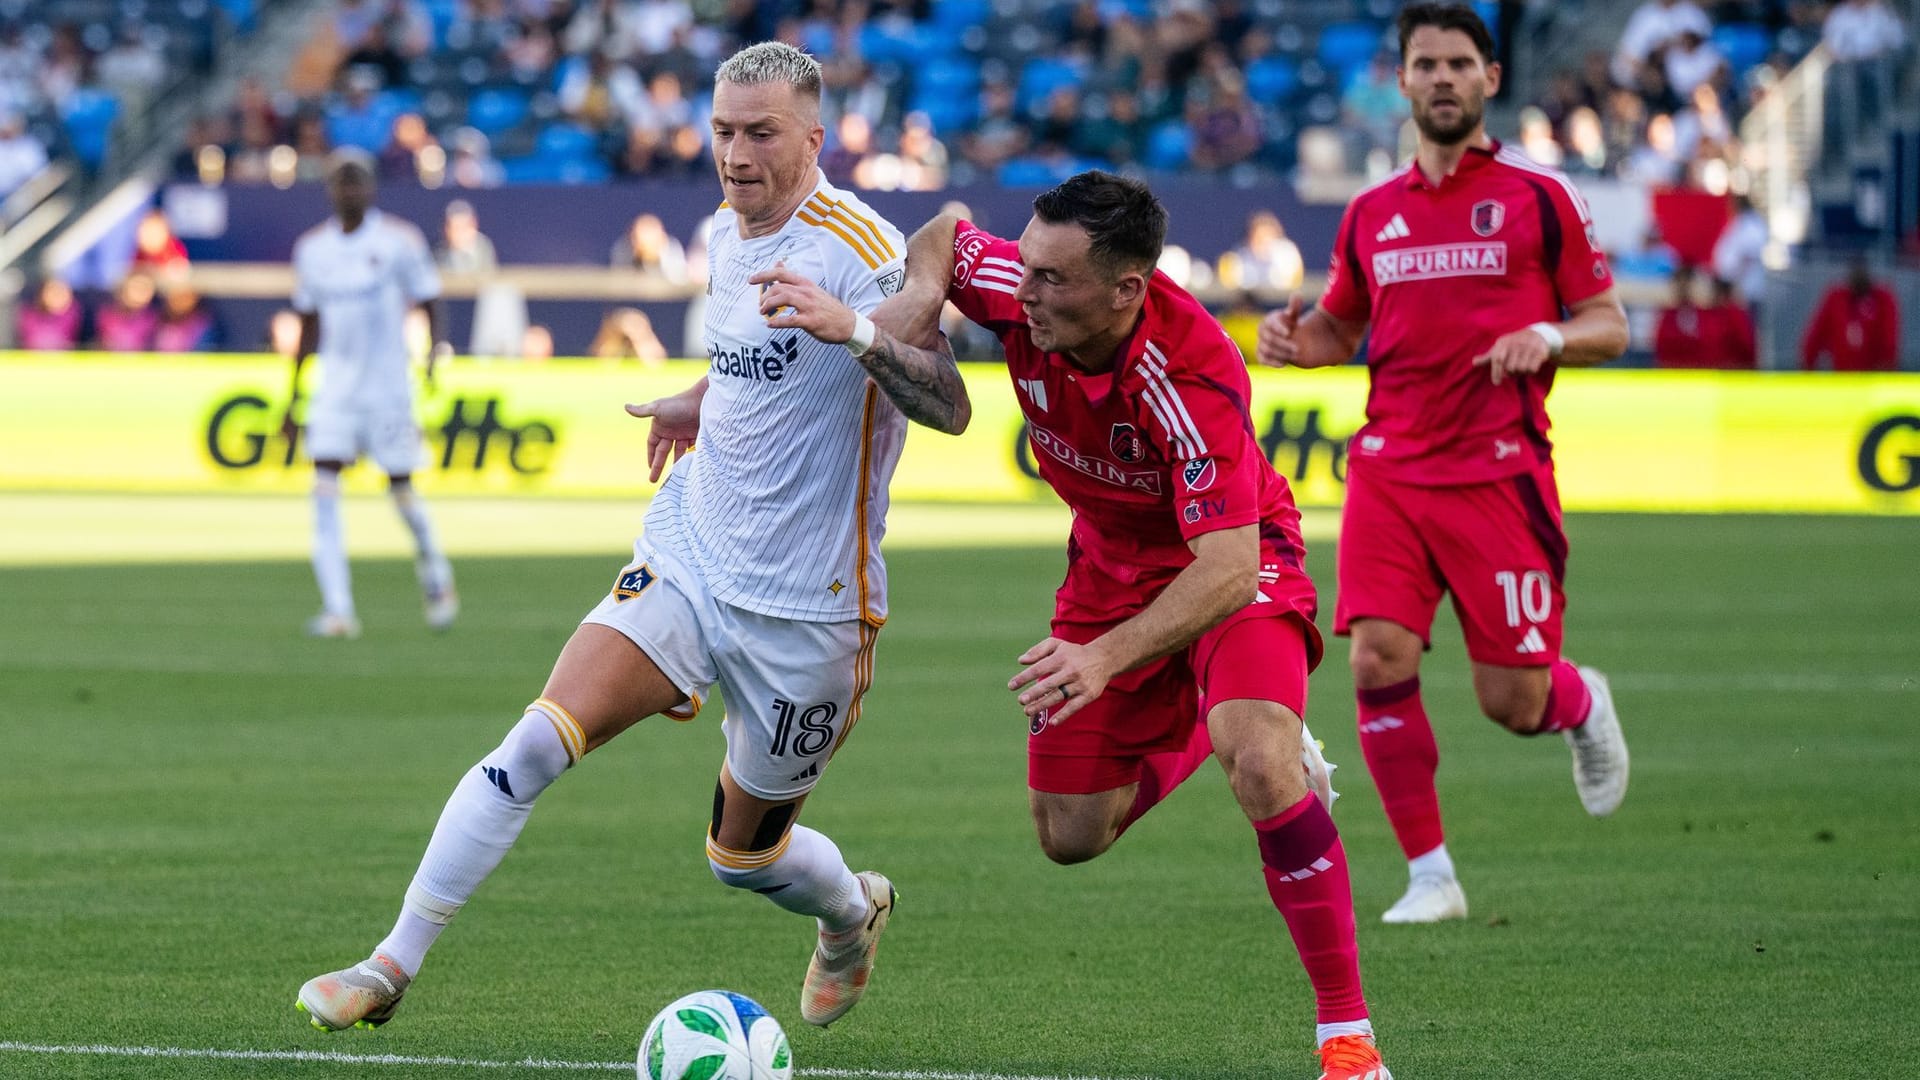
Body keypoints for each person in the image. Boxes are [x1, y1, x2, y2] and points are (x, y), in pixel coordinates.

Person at [295, 41, 971, 1036]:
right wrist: (704, 400)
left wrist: (859, 331)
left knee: (740, 857)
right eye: (723, 131)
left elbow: (949, 404)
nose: (736, 154)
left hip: (808, 609)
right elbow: (761, 367)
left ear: (815, 138)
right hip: (691, 553)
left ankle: (847, 915)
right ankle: (391, 961)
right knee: (534, 742)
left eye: (762, 134)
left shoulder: (859, 249)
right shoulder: (721, 233)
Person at [817, 171, 1393, 1080]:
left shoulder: (1192, 371)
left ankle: (1347, 1040)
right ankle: (1220, 732)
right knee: (1070, 835)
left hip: (1234, 559)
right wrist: (923, 296)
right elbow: (950, 228)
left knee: (1260, 757)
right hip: (1106, 565)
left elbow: (1230, 568)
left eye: (1052, 279)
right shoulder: (1022, 284)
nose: (1024, 291)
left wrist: (1104, 657)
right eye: (1028, 268)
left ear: (1127, 290)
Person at [1256, 3, 1631, 926]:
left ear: (1491, 80)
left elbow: (1609, 324)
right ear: (1403, 80)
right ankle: (1432, 875)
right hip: (1388, 468)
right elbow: (1340, 326)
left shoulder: (1540, 198)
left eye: (1461, 63)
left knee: (1513, 699)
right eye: (1426, 64)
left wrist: (1547, 332)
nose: (1443, 78)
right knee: (1377, 659)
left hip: (1498, 472)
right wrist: (1296, 343)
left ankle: (1578, 701)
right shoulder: (1370, 213)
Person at [280, 149, 458, 640]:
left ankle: (436, 575)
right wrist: (293, 397)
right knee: (323, 490)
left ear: (372, 188)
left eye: (357, 181)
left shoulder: (399, 241)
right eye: (341, 182)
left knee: (401, 490)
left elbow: (429, 299)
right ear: (329, 189)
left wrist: (432, 353)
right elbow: (309, 324)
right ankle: (338, 609)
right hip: (334, 389)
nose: (350, 190)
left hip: (386, 388)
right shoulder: (312, 250)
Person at [1801, 257, 1900, 371]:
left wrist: (1886, 367)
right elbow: (1815, 335)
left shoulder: (1883, 298)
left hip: (1874, 375)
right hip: (1842, 375)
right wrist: (1808, 363)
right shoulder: (1836, 298)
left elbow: (1890, 339)